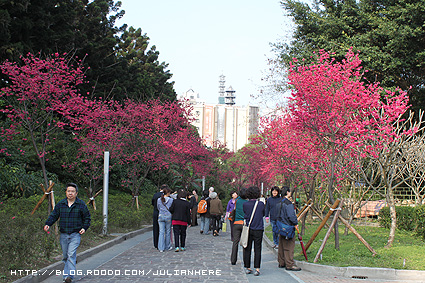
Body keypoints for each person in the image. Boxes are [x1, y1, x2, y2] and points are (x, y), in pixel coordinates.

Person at [44, 183, 91, 283]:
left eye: (72, 191)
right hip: (64, 234)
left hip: (75, 234)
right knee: (65, 256)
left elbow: (87, 218)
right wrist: (48, 224)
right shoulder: (61, 204)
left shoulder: (81, 205)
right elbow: (54, 215)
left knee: (71, 254)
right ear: (66, 192)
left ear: (76, 193)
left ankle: (68, 276)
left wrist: (84, 228)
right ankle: (67, 275)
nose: (70, 193)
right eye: (68, 191)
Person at [243, 186, 265, 276]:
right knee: (258, 248)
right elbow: (263, 214)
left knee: (247, 248)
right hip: (258, 228)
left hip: (248, 228)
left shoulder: (245, 204)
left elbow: (245, 214)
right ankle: (257, 268)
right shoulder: (261, 204)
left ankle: (247, 267)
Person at [277, 186, 301, 271]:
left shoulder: (279, 202)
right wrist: (295, 223)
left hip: (280, 226)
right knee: (289, 246)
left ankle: (281, 262)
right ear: (287, 192)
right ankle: (290, 264)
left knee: (281, 244)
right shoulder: (288, 203)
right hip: (288, 226)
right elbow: (291, 216)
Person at [230, 188, 248, 266]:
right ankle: (245, 260)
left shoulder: (237, 201)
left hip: (236, 223)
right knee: (245, 242)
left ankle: (233, 260)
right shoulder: (247, 202)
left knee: (235, 242)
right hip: (244, 224)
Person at [157, 186, 173, 252]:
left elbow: (158, 207)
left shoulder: (159, 199)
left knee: (161, 232)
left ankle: (161, 248)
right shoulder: (171, 200)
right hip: (168, 216)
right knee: (168, 232)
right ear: (168, 193)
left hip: (161, 216)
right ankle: (167, 246)